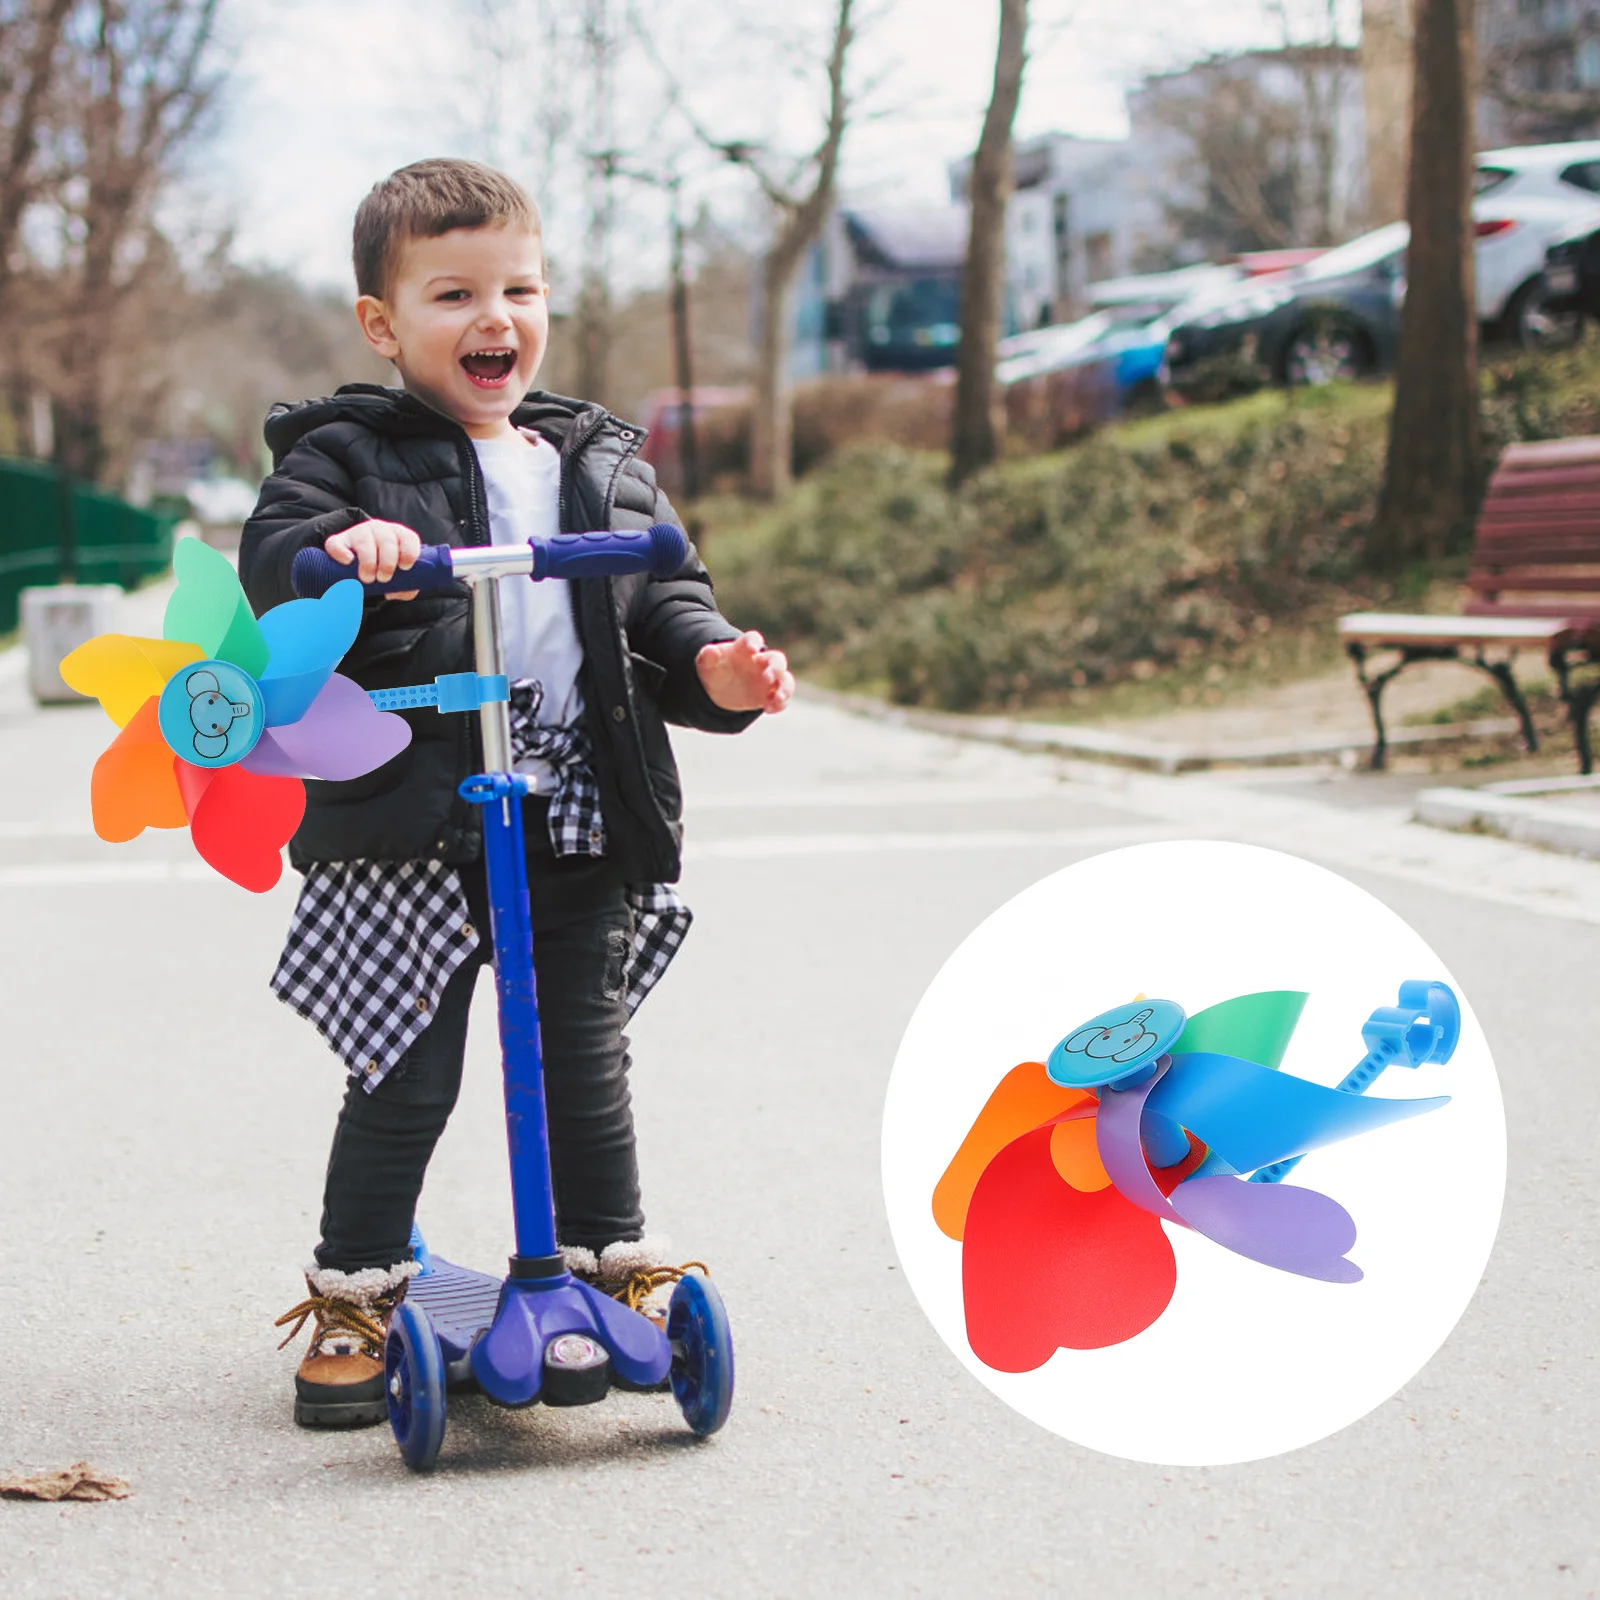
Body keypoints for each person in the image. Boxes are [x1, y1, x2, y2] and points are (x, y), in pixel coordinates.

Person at [238, 157, 792, 1429]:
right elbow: (275, 558)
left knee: (581, 1063)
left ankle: (608, 1265)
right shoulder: (344, 452)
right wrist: (344, 554)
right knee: (405, 1071)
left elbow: (666, 595)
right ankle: (361, 1291)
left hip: (576, 807)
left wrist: (715, 663)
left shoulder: (595, 460)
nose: (496, 319)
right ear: (384, 324)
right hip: (411, 819)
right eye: (454, 294)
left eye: (519, 288)